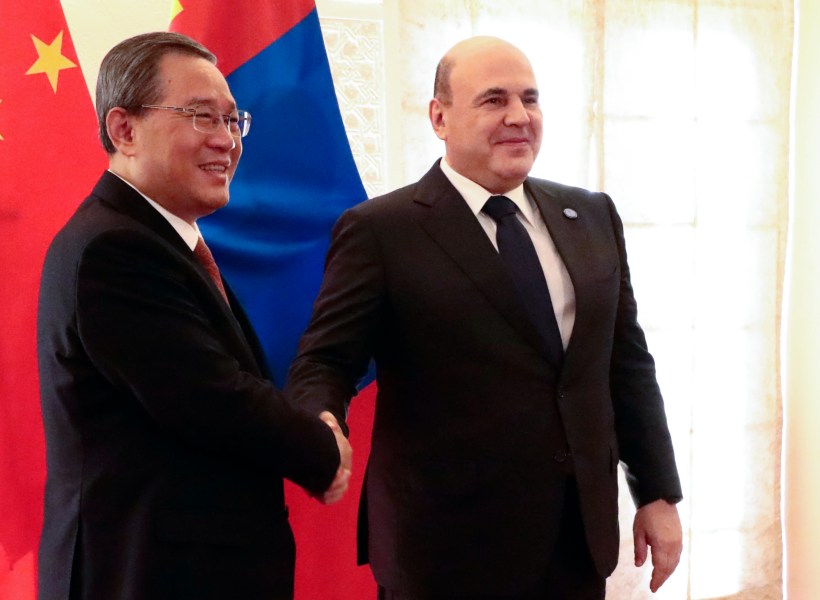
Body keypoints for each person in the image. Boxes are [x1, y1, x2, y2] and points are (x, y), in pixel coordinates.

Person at [286, 35, 682, 598]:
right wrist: (321, 418)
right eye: (494, 100)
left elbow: (626, 364)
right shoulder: (381, 231)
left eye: (530, 98)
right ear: (439, 116)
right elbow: (325, 359)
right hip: (444, 550)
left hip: (576, 541)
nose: (519, 116)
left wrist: (658, 494)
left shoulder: (591, 216)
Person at [36, 31, 351, 600]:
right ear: (123, 129)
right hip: (142, 574)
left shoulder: (158, 241)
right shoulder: (113, 249)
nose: (226, 141)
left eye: (234, 122)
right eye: (202, 117)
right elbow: (212, 399)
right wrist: (319, 447)